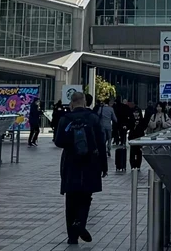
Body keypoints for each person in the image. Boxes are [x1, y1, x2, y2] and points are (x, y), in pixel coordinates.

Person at [56, 91, 108, 243]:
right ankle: (80, 222)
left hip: (71, 162)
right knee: (86, 197)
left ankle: (72, 237)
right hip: (90, 162)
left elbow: (59, 141)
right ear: (85, 102)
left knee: (71, 198)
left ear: (71, 103)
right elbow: (101, 142)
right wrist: (103, 166)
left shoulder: (65, 119)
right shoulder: (93, 118)